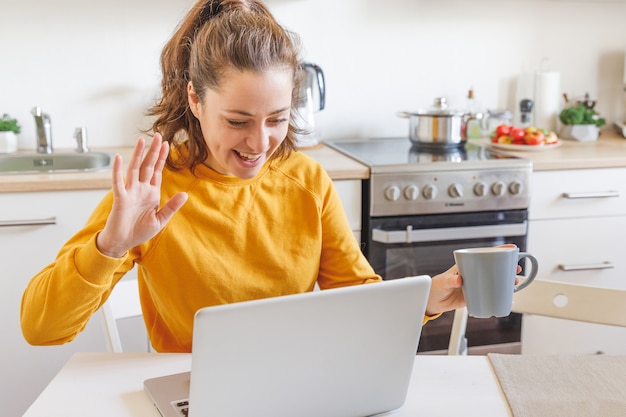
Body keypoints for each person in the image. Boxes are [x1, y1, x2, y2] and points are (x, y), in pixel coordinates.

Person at [20, 0, 465, 353]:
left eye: (277, 118)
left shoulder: (306, 181)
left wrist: (425, 298)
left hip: (300, 386)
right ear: (195, 99)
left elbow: (359, 302)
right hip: (194, 391)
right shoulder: (156, 191)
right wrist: (111, 245)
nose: (259, 142)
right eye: (237, 121)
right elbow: (41, 329)